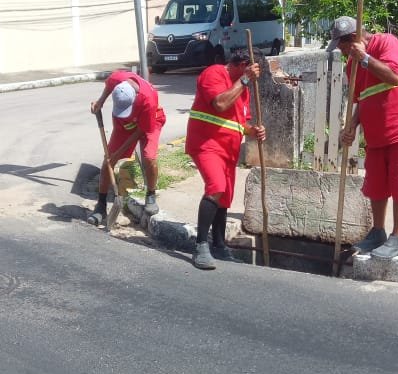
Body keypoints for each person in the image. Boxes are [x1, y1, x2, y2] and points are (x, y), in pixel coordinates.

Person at [327, 16, 398, 259]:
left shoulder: (386, 43)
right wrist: (351, 125)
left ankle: (397, 238)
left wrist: (365, 58)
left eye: (342, 46)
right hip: (375, 135)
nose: (342, 52)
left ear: (353, 38)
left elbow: (394, 76)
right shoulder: (352, 65)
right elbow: (362, 99)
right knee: (377, 186)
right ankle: (378, 232)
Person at [185, 49, 266, 269]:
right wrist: (245, 79)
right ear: (243, 65)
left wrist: (253, 130)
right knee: (216, 186)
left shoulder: (243, 89)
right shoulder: (214, 73)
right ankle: (201, 245)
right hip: (207, 144)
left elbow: (240, 122)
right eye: (253, 70)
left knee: (225, 196)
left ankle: (219, 245)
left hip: (229, 151)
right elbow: (220, 104)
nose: (256, 76)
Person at [88, 69, 166, 225]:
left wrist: (119, 153)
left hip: (150, 121)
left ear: (135, 97)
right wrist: (101, 101)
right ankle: (101, 205)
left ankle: (150, 194)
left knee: (149, 157)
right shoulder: (117, 78)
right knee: (108, 160)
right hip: (125, 124)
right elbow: (109, 85)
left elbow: (141, 130)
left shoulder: (148, 99)